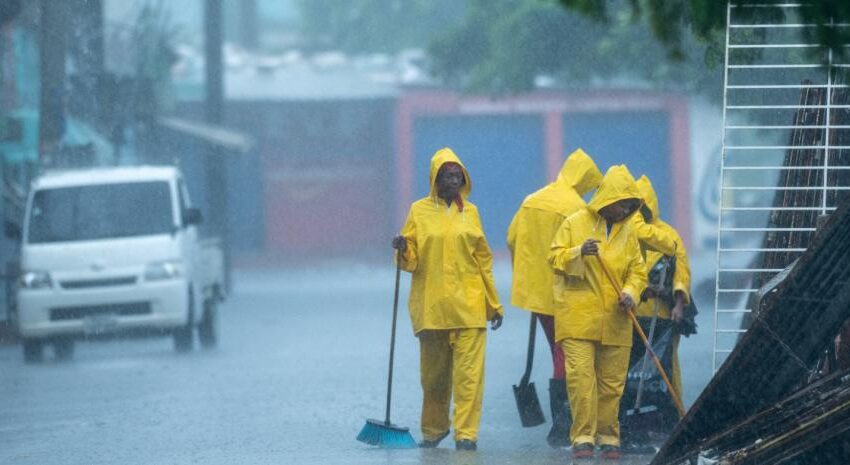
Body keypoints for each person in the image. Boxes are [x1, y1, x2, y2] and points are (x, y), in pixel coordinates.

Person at [392, 147, 504, 451]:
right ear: (435, 178)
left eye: (459, 175)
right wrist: (403, 247)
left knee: (469, 380)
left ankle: (466, 434)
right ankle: (434, 429)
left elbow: (483, 262)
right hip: (432, 310)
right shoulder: (418, 211)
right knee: (434, 380)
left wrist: (493, 305)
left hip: (468, 308)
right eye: (448, 175)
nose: (454, 179)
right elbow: (410, 262)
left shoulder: (472, 212)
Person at [548, 165, 647, 460]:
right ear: (608, 199)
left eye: (630, 207)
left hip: (617, 319)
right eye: (622, 204)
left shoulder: (628, 232)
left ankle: (609, 436)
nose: (624, 211)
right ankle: (583, 436)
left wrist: (630, 294)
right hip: (578, 316)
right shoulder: (574, 222)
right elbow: (554, 257)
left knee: (612, 383)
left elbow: (638, 272)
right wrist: (579, 251)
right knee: (580, 379)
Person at [506, 148, 603, 447]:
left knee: (557, 352)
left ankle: (567, 424)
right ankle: (565, 426)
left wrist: (529, 274)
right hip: (567, 293)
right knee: (569, 357)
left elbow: (511, 239)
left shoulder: (531, 200)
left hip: (536, 293)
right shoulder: (576, 208)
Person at [628, 175, 692, 434]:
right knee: (631, 370)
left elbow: (682, 272)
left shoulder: (666, 234)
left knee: (664, 367)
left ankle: (671, 415)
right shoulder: (625, 233)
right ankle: (630, 416)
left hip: (662, 315)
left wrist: (678, 303)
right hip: (632, 314)